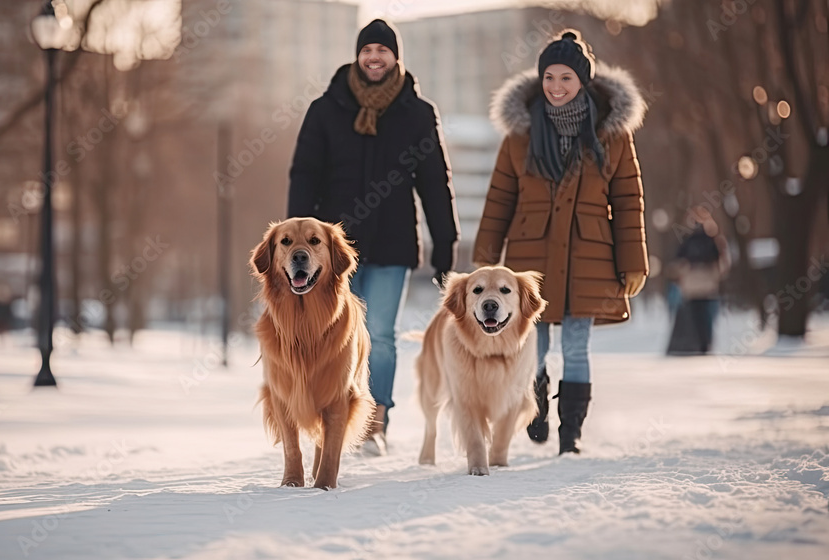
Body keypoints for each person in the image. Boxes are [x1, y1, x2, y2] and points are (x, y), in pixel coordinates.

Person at [287, 19, 460, 456]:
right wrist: (296, 246)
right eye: (368, 50)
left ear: (395, 58)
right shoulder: (326, 109)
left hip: (392, 243)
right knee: (335, 334)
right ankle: (334, 416)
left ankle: (374, 423)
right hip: (332, 253)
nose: (375, 58)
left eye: (383, 51)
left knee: (380, 334)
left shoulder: (418, 114)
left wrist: (445, 242)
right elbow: (304, 174)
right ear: (358, 55)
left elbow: (435, 182)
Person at [474, 30, 648, 454]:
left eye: (566, 78)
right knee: (533, 344)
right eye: (549, 77)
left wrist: (634, 262)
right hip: (529, 258)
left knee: (575, 345)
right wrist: (484, 257)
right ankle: (536, 413)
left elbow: (628, 200)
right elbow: (501, 196)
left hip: (590, 256)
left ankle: (571, 434)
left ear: (582, 81)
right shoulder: (520, 133)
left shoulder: (613, 134)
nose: (555, 86)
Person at [666, 207, 729, 355]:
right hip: (709, 288)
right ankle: (705, 344)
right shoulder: (714, 241)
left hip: (691, 288)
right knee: (707, 319)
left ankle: (696, 344)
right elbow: (722, 264)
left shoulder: (687, 241)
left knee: (694, 318)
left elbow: (678, 263)